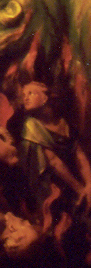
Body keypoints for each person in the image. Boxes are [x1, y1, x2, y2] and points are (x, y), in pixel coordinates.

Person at [17, 81, 91, 216]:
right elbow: (54, 162)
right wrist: (81, 190)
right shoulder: (31, 125)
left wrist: (89, 184)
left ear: (45, 98)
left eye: (31, 93)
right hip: (54, 187)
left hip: (76, 180)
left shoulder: (63, 122)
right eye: (24, 95)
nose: (25, 98)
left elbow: (79, 154)